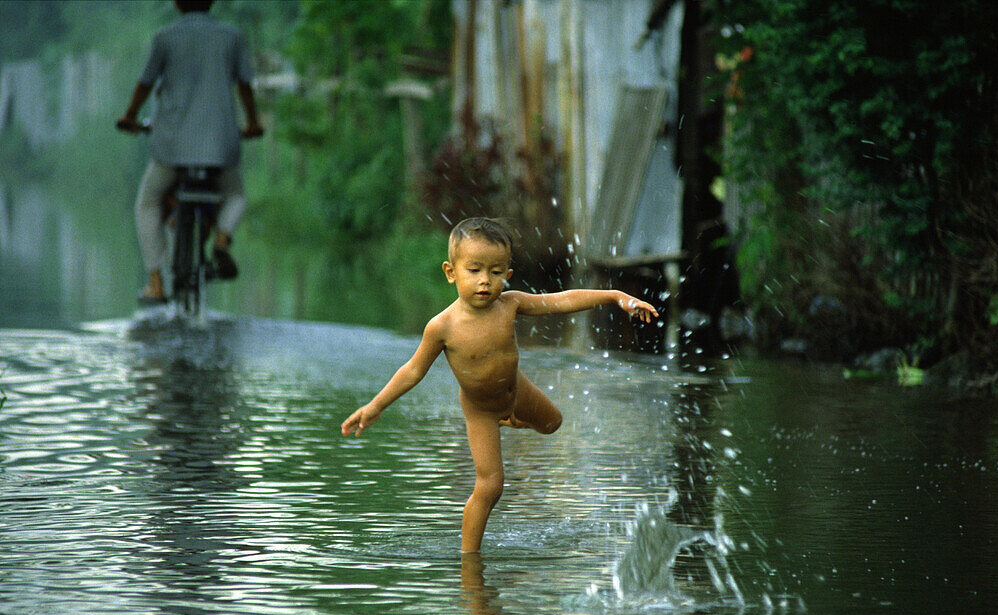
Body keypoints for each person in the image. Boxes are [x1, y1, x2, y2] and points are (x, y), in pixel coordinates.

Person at [340, 217, 659, 553]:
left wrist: (615, 296)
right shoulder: (442, 326)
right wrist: (375, 405)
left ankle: (511, 418)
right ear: (451, 272)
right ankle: (469, 557)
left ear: (507, 276)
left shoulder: (511, 304)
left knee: (553, 423)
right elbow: (413, 370)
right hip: (480, 409)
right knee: (491, 486)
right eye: (474, 270)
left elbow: (562, 300)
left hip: (515, 389)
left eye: (495, 272)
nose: (484, 281)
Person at [116, 0, 263, 304]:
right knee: (235, 196)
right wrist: (252, 122)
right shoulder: (232, 36)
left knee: (148, 203)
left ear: (176, 3)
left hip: (172, 147)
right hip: (220, 147)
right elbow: (245, 86)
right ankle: (222, 237)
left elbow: (145, 84)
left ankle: (156, 283)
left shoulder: (165, 37)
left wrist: (130, 115)